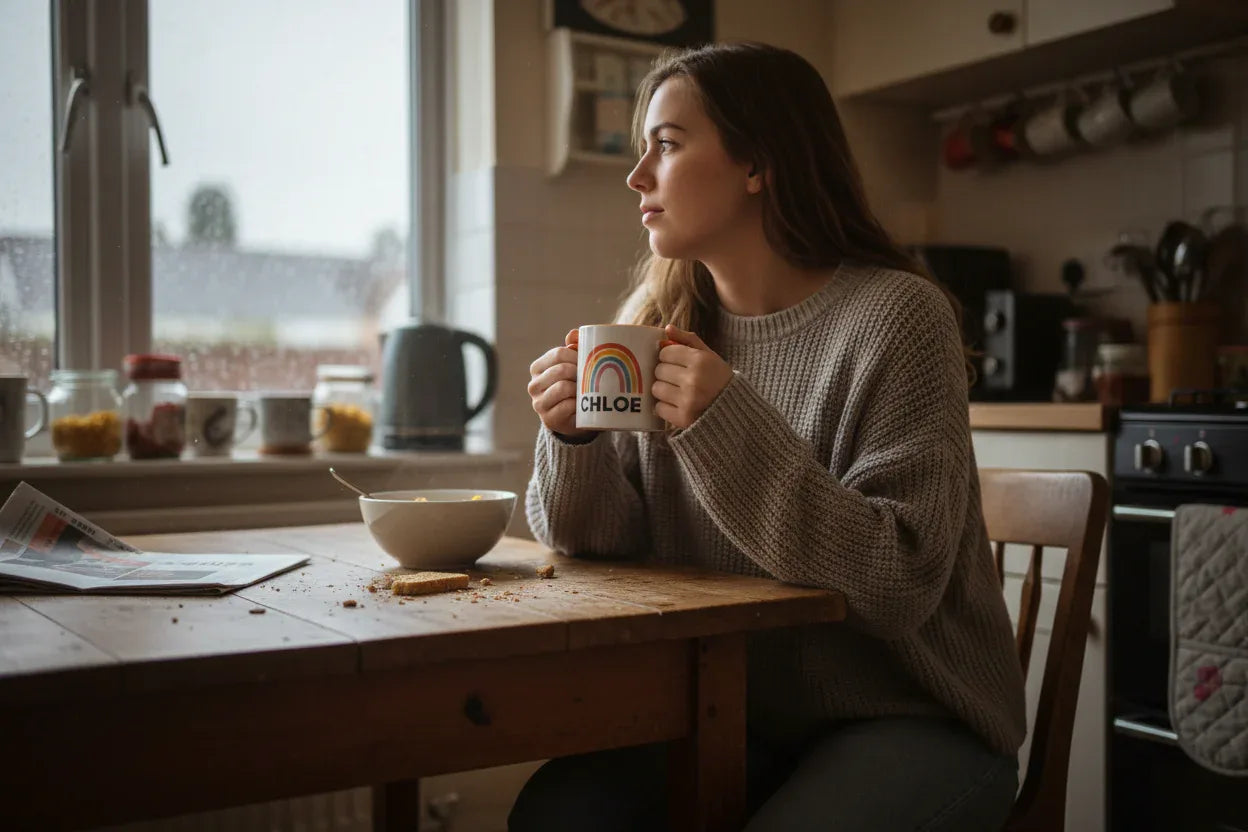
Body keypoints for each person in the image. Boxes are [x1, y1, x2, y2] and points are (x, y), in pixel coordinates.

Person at [515, 41, 1026, 832]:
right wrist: (573, 441)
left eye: (669, 145)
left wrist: (725, 424)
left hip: (907, 714)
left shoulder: (896, 319)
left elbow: (895, 585)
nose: (637, 176)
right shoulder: (664, 331)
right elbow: (600, 550)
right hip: (734, 712)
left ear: (757, 161)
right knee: (557, 817)